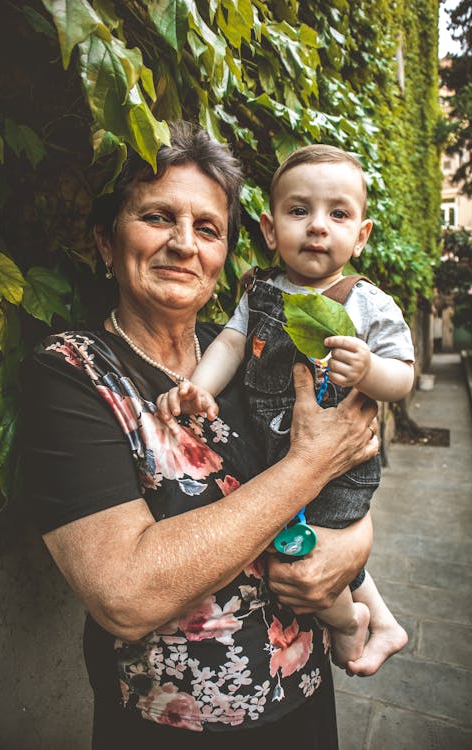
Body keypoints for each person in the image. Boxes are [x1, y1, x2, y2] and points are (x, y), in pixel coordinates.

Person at [22, 123, 379, 750]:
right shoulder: (72, 371)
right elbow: (124, 594)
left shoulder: (252, 350)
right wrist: (307, 465)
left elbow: (352, 460)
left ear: (225, 257)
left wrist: (353, 546)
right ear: (107, 242)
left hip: (304, 701)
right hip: (172, 728)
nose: (184, 245)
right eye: (158, 217)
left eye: (208, 229)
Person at [157, 144, 413, 676]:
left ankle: (348, 623)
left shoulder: (367, 303)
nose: (318, 226)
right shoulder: (260, 292)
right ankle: (383, 620)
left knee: (303, 558)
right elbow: (229, 343)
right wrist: (196, 387)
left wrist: (368, 372)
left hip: (341, 467)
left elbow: (402, 375)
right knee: (315, 543)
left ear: (361, 235)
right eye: (299, 212)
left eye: (338, 214)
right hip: (274, 457)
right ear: (271, 230)